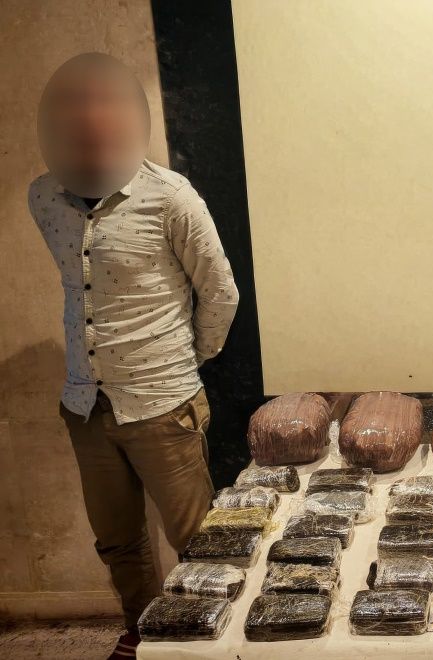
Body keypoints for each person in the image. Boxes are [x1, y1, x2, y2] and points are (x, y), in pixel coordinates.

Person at [29, 52, 238, 659]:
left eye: (104, 110)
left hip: (163, 402)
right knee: (117, 540)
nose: (89, 123)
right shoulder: (43, 197)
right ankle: (144, 634)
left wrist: (186, 359)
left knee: (197, 539)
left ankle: (206, 642)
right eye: (74, 112)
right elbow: (79, 289)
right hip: (85, 404)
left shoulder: (170, 197)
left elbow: (219, 292)